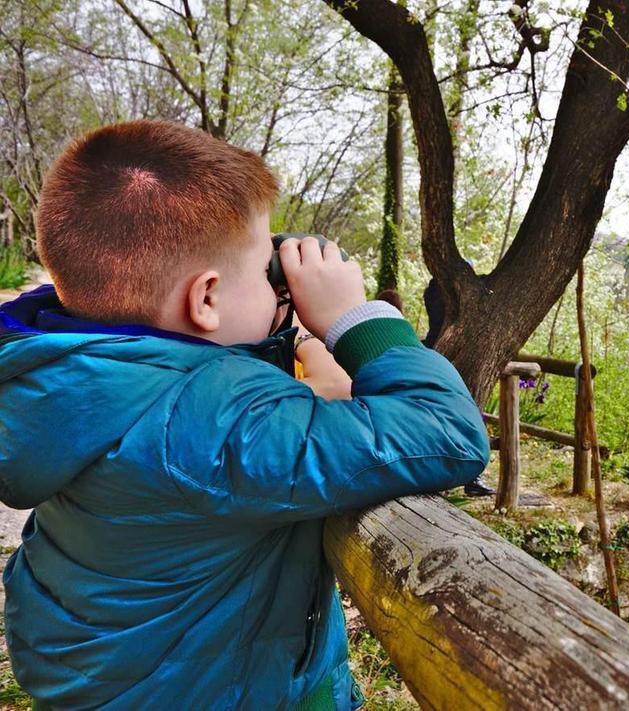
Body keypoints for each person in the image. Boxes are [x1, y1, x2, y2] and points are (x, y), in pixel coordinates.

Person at [0, 120, 490, 710]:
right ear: (205, 298)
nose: (280, 283)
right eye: (267, 270)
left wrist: (286, 332)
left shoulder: (73, 367)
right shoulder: (216, 422)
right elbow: (448, 431)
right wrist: (355, 317)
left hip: (114, 682)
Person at [422, 277, 496, 497]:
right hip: (443, 360)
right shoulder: (442, 295)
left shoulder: (439, 293)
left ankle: (468, 476)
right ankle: (468, 477)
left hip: (437, 356)